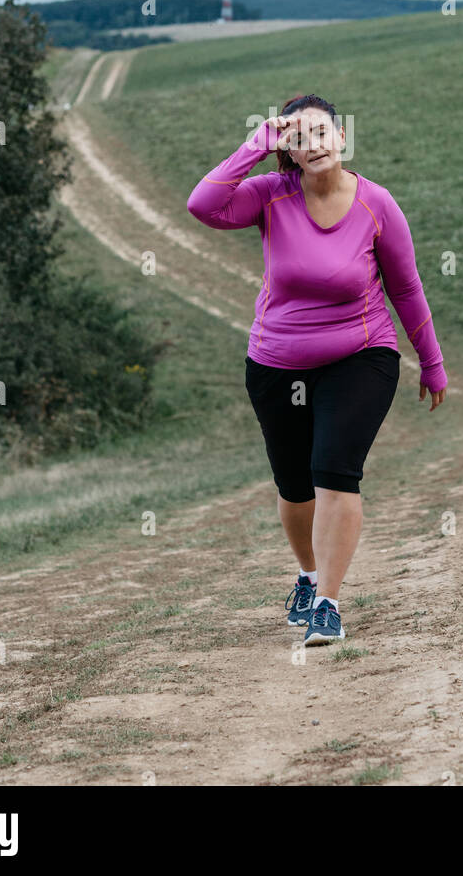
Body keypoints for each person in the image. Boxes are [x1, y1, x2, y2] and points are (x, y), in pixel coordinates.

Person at [186, 94, 447, 645]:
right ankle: (307, 575)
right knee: (294, 484)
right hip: (277, 363)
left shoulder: (378, 204)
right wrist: (256, 145)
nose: (315, 143)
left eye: (323, 132)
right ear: (290, 150)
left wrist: (431, 362)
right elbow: (203, 206)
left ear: (342, 138)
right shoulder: (268, 195)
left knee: (334, 468)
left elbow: (404, 286)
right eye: (299, 137)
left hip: (361, 354)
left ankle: (327, 601)